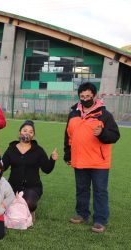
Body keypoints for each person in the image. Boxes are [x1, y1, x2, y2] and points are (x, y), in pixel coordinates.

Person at [64, 82, 120, 233]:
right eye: (82, 96)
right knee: (81, 189)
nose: (85, 98)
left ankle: (100, 220)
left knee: (100, 191)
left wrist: (102, 134)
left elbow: (115, 135)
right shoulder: (73, 114)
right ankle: (82, 214)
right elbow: (69, 136)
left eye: (88, 96)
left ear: (94, 96)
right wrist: (68, 154)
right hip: (80, 160)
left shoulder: (105, 115)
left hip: (98, 162)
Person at [0, 120, 58, 222]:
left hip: (32, 187)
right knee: (1, 203)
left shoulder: (38, 150)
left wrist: (52, 159)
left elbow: (46, 169)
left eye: (31, 132)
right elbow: (2, 168)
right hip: (13, 187)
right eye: (25, 130)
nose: (27, 133)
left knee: (29, 203)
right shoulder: (11, 149)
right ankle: (15, 206)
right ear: (20, 132)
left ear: (33, 135)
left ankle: (30, 210)